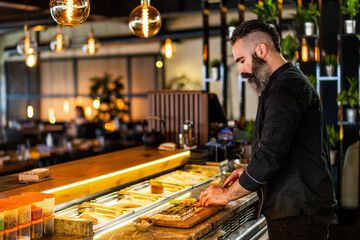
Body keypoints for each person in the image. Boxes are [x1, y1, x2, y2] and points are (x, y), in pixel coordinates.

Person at [199, 20, 337, 240]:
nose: (240, 70)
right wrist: (248, 171)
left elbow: (269, 158)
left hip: (298, 213)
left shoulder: (284, 88)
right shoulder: (284, 82)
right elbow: (281, 148)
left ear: (261, 50)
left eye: (241, 60)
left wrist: (225, 195)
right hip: (297, 208)